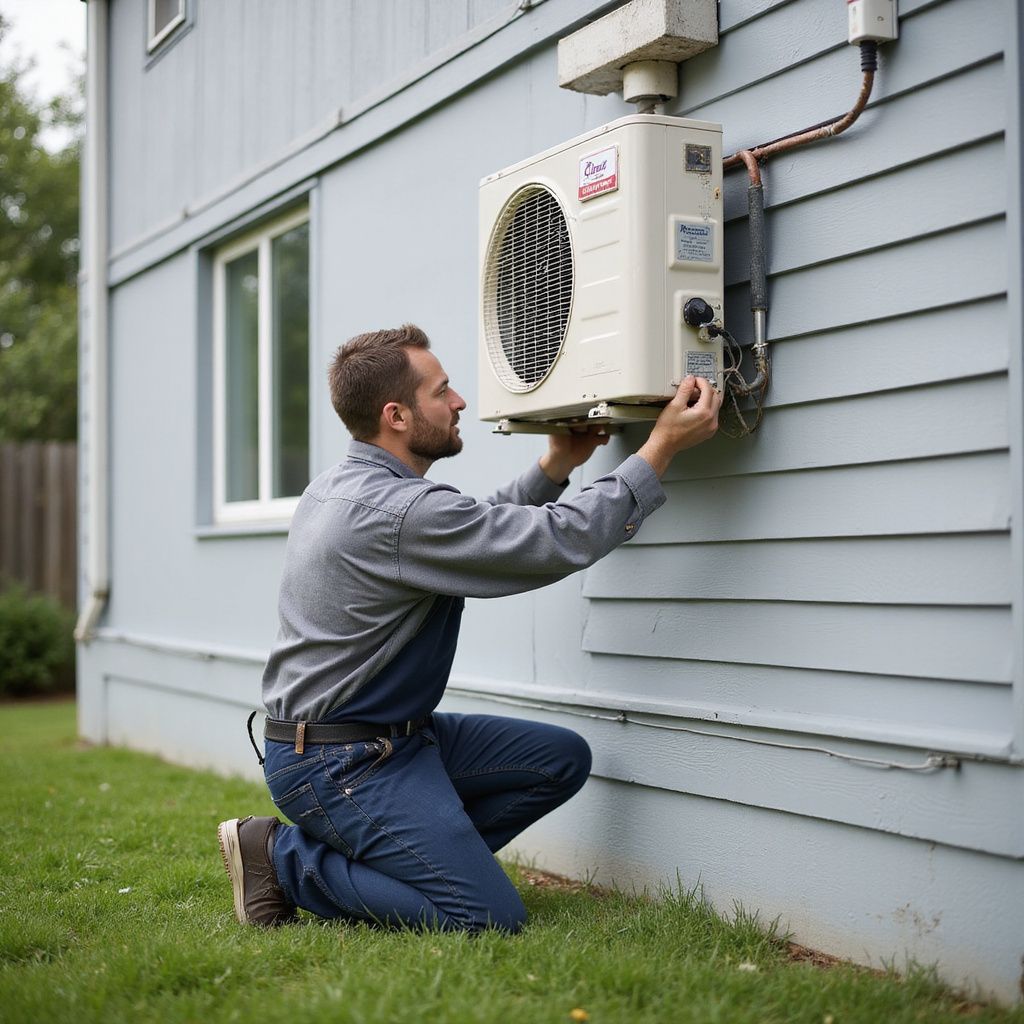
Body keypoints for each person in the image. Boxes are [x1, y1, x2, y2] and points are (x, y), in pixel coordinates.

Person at [218, 323, 722, 931]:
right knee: (485, 916)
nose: (459, 402)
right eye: (444, 390)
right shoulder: (397, 512)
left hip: (388, 740)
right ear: (396, 415)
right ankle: (282, 858)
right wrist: (659, 448)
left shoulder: (340, 487)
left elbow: (471, 527)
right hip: (340, 763)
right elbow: (550, 541)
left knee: (558, 760)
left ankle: (412, 866)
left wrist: (554, 466)